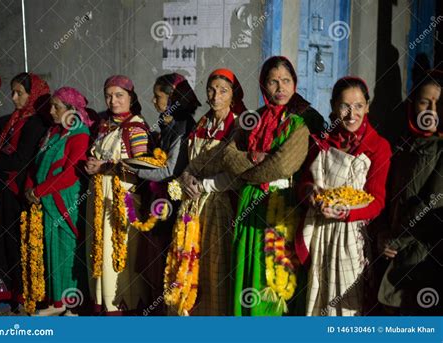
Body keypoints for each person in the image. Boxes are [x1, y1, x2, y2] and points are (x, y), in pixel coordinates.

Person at [223, 56, 324, 316]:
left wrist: (250, 168)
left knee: (276, 272)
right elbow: (229, 155)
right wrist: (254, 159)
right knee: (249, 267)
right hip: (250, 203)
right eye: (273, 82)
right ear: (263, 86)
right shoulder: (253, 118)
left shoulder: (302, 120)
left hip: (284, 202)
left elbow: (284, 164)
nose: (280, 88)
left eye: (286, 81)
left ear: (295, 83)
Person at [296, 76, 392, 316]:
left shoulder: (378, 147)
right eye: (344, 106)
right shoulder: (323, 141)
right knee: (318, 301)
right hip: (321, 234)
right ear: (333, 106)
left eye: (359, 106)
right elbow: (306, 181)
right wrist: (309, 192)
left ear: (368, 106)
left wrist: (346, 212)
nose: (351, 114)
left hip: (352, 236)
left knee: (348, 306)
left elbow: (377, 201)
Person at [165, 69, 244, 315]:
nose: (216, 95)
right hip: (192, 206)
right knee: (187, 263)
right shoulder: (203, 123)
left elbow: (238, 174)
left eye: (223, 90)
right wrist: (186, 176)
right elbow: (191, 162)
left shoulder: (238, 125)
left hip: (219, 207)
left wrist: (206, 185)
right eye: (211, 89)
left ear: (233, 95)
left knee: (213, 267)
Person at [127, 73, 199, 315]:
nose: (153, 100)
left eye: (158, 96)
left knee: (163, 256)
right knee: (151, 255)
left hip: (170, 201)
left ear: (173, 99)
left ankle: (162, 309)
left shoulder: (184, 127)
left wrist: (132, 167)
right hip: (157, 197)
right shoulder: (167, 122)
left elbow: (170, 169)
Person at [0, 72, 50, 311]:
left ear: (34, 95)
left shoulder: (37, 124)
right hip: (2, 189)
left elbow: (21, 160)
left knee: (17, 242)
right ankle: (0, 290)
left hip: (20, 191)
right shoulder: (8, 121)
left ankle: (21, 294)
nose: (13, 97)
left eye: (19, 93)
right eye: (13, 92)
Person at [378, 70, 442, 315]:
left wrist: (396, 240)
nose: (431, 110)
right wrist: (382, 233)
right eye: (425, 102)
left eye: (438, 103)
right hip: (390, 251)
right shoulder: (402, 145)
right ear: (413, 105)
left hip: (421, 258)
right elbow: (385, 194)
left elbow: (432, 203)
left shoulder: (439, 149)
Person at [85, 75, 150, 315]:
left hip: (123, 199)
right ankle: (103, 303)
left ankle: (125, 305)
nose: (113, 101)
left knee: (121, 249)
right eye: (108, 96)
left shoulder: (136, 126)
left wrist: (104, 167)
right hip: (100, 197)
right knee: (99, 248)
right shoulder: (104, 125)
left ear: (131, 97)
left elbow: (142, 165)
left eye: (119, 95)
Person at [24, 87, 92, 316]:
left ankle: (72, 302)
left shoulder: (79, 133)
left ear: (72, 110)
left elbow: (70, 174)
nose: (51, 111)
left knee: (68, 250)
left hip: (67, 201)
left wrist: (40, 191)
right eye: (52, 106)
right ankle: (57, 301)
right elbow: (38, 163)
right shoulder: (54, 132)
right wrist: (31, 190)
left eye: (57, 106)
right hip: (47, 200)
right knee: (52, 249)